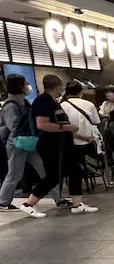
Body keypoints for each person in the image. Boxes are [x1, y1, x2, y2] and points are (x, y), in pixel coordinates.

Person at [17, 74, 98, 219]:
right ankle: (28, 204)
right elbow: (42, 124)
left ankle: (77, 204)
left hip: (63, 144)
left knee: (75, 171)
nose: (63, 88)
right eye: (61, 85)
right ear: (57, 86)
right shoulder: (42, 101)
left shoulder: (53, 102)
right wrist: (66, 128)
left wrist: (76, 134)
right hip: (51, 146)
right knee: (53, 177)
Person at [0, 74, 67, 211]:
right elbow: (13, 127)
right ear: (19, 86)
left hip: (29, 142)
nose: (28, 85)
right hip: (17, 144)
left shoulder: (24, 102)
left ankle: (59, 198)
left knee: (45, 171)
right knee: (15, 174)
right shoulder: (10, 105)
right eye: (25, 83)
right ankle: (3, 201)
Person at [61, 80, 103, 163]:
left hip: (71, 144)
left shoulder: (62, 106)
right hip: (90, 143)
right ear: (81, 92)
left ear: (67, 93)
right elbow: (97, 122)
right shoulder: (89, 104)